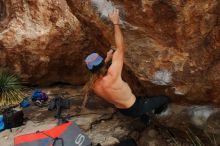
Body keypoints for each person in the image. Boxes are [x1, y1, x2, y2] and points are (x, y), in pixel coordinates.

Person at [83, 9, 169, 125]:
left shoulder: (93, 85)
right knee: (164, 100)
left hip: (122, 110)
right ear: (102, 64)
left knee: (139, 105)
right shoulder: (112, 74)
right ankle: (157, 114)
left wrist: (107, 59)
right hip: (135, 107)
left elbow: (98, 71)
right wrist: (116, 23)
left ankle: (145, 119)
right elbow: (120, 48)